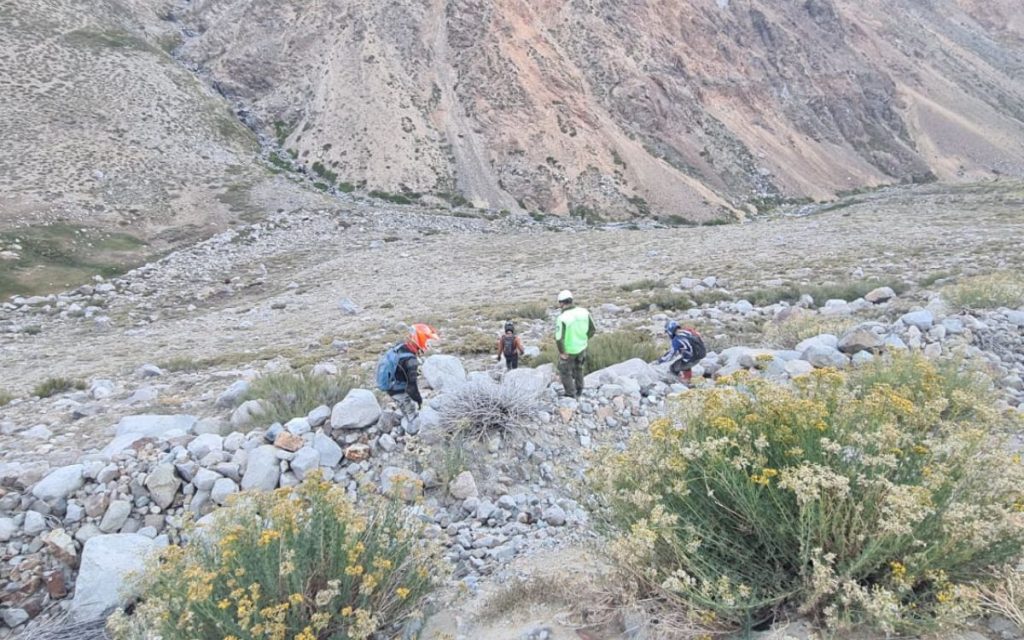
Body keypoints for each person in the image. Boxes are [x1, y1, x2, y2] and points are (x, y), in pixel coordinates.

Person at [378, 323, 439, 423]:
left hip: (393, 384)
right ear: (421, 339)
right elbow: (411, 388)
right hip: (397, 390)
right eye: (427, 340)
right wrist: (419, 401)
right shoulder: (411, 361)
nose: (428, 343)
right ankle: (410, 431)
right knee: (413, 418)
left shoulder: (403, 346)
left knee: (408, 405)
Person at [554, 290, 596, 398]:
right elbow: (592, 330)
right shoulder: (584, 312)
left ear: (561, 303)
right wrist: (584, 339)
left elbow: (559, 339)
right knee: (579, 368)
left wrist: (562, 352)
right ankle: (579, 389)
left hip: (569, 350)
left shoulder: (562, 318)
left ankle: (570, 393)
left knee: (565, 371)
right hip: (582, 347)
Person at [655, 320, 705, 385]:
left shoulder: (677, 339)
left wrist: (660, 361)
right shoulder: (687, 331)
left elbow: (670, 354)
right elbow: (699, 336)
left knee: (673, 367)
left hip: (692, 359)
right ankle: (688, 380)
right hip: (700, 355)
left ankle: (677, 383)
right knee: (684, 362)